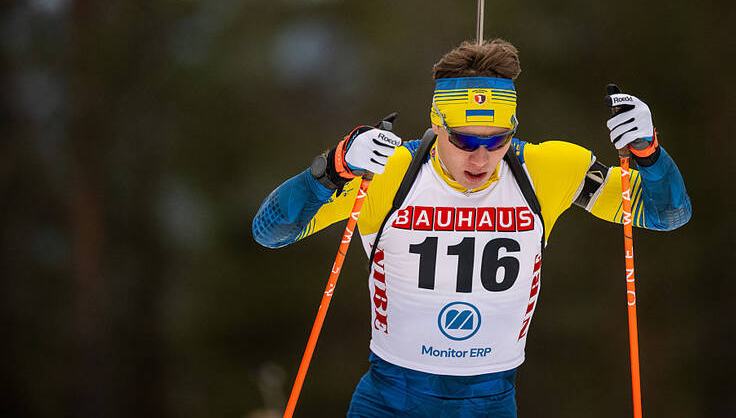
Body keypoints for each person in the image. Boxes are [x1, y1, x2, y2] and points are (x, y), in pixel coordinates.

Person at [253, 39, 691, 417]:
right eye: (463, 140)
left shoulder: (547, 171)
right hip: (391, 400)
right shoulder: (390, 173)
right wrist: (335, 168)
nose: (480, 158)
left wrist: (648, 152)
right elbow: (269, 230)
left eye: (496, 140)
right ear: (436, 123)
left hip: (490, 403)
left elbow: (666, 214)